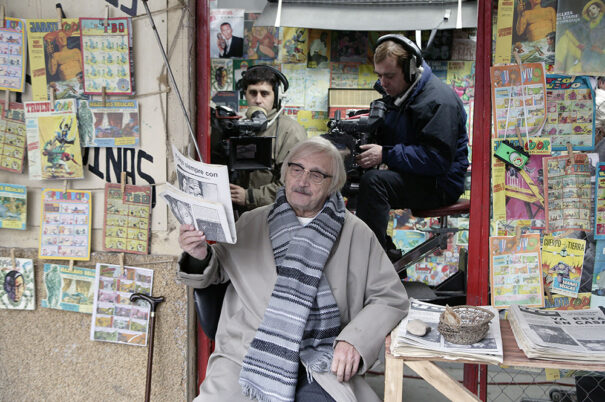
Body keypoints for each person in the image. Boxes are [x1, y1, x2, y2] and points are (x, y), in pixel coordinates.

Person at [178, 137, 408, 401]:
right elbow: (216, 268)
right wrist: (198, 253)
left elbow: (390, 298)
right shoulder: (252, 222)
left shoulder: (357, 233)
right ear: (285, 173)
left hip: (320, 359)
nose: (302, 180)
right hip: (247, 353)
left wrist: (354, 340)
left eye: (317, 174)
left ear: (334, 185)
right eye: (296, 169)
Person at [354, 34, 469, 258]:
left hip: (440, 183)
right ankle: (384, 251)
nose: (383, 83)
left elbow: (437, 159)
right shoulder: (400, 94)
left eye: (389, 76)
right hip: (419, 174)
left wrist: (385, 154)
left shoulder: (438, 101)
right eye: (379, 75)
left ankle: (371, 262)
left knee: (374, 183)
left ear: (410, 70)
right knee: (354, 183)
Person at [212, 65, 307, 210]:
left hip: (272, 215)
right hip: (240, 215)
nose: (258, 100)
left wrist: (249, 197)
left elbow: (294, 184)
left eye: (264, 94)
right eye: (253, 93)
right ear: (245, 95)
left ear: (276, 96)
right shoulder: (238, 126)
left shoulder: (290, 131)